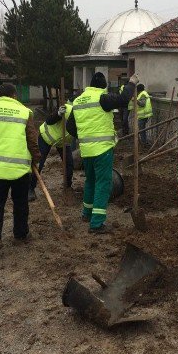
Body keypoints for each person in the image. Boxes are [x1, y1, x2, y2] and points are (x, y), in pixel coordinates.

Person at [67, 72, 138, 233]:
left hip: (86, 150)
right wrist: (132, 83)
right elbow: (123, 99)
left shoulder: (78, 101)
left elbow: (70, 128)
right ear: (103, 86)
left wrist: (85, 136)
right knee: (103, 184)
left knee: (90, 181)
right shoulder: (102, 98)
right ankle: (97, 223)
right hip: (102, 149)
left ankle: (87, 214)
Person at [0, 83, 41, 257]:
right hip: (20, 168)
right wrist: (36, 158)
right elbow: (32, 139)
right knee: (20, 202)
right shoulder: (24, 112)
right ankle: (21, 234)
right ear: (14, 96)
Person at [28, 101, 74, 201]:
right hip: (46, 136)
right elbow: (49, 120)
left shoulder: (85, 117)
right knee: (39, 162)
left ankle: (68, 187)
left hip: (63, 141)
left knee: (69, 164)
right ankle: (30, 189)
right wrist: (58, 114)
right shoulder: (67, 109)